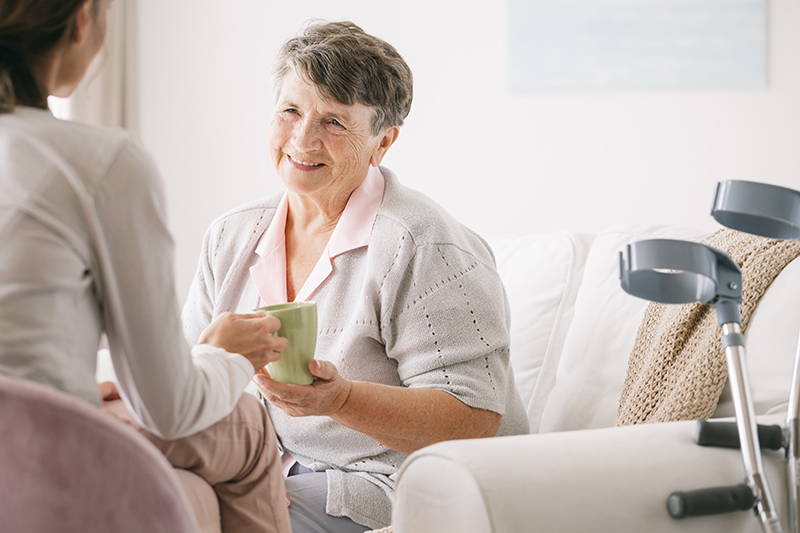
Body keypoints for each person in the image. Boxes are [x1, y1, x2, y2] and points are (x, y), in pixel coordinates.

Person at [182, 20, 529, 532]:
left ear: (382, 142)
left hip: (395, 478)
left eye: (334, 123)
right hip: (271, 465)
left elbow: (472, 420)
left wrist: (338, 399)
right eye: (291, 111)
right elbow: (189, 379)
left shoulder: (426, 246)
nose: (303, 139)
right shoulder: (230, 236)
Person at [0, 1, 290, 532]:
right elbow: (170, 408)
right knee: (247, 424)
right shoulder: (99, 163)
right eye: (290, 112)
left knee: (194, 486)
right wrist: (225, 354)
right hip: (39, 467)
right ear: (84, 19)